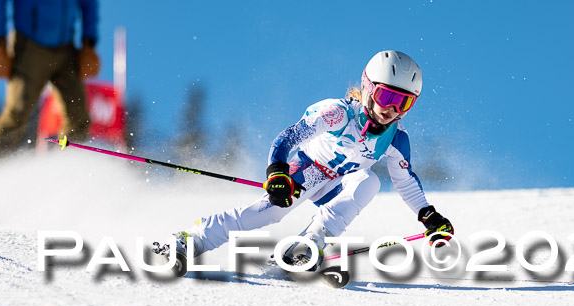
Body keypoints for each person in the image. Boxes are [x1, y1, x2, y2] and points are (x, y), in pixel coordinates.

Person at [159, 50, 454, 275]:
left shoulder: (396, 139)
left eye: (402, 102)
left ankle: (307, 245)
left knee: (368, 181)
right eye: (386, 95)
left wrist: (429, 216)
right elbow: (288, 137)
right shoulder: (339, 113)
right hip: (308, 171)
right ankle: (190, 240)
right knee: (267, 214)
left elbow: (405, 181)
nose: (391, 109)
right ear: (367, 87)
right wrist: (277, 171)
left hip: (337, 185)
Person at [0, 0, 100, 155]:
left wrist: (89, 43)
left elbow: (89, 3)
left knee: (77, 116)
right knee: (17, 113)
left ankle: (67, 168)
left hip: (66, 48)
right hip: (29, 47)